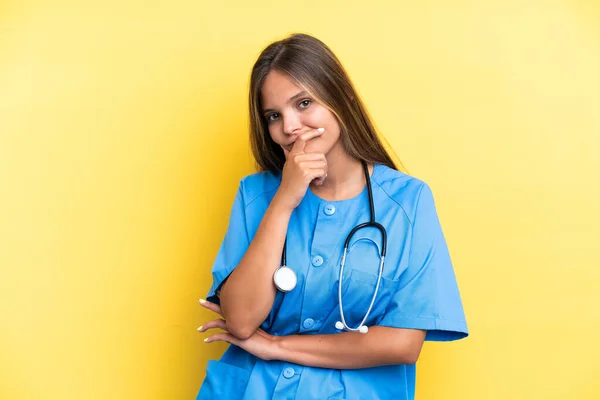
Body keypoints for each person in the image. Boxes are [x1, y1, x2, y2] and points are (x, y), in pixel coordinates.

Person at [195, 33, 468, 400]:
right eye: (274, 116)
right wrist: (284, 202)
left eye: (304, 103)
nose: (289, 127)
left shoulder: (408, 201)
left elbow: (402, 343)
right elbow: (242, 322)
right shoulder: (256, 195)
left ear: (342, 99)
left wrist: (276, 346)